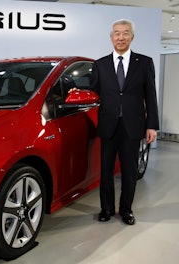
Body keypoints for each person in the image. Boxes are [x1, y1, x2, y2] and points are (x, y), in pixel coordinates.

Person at [90, 19, 159, 225]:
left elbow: (150, 96)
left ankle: (126, 209)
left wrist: (152, 125)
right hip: (108, 124)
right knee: (106, 171)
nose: (121, 37)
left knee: (129, 172)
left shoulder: (144, 62)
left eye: (125, 33)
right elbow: (93, 93)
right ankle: (107, 208)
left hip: (133, 125)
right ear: (111, 37)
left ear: (132, 37)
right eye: (117, 33)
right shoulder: (100, 64)